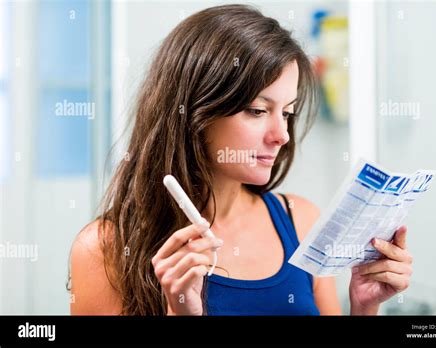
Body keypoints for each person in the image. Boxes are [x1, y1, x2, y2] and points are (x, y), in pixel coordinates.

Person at [69, 4, 412, 316]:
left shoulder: (302, 222)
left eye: (288, 113)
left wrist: (364, 308)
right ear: (194, 113)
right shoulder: (104, 249)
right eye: (258, 110)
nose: (282, 135)